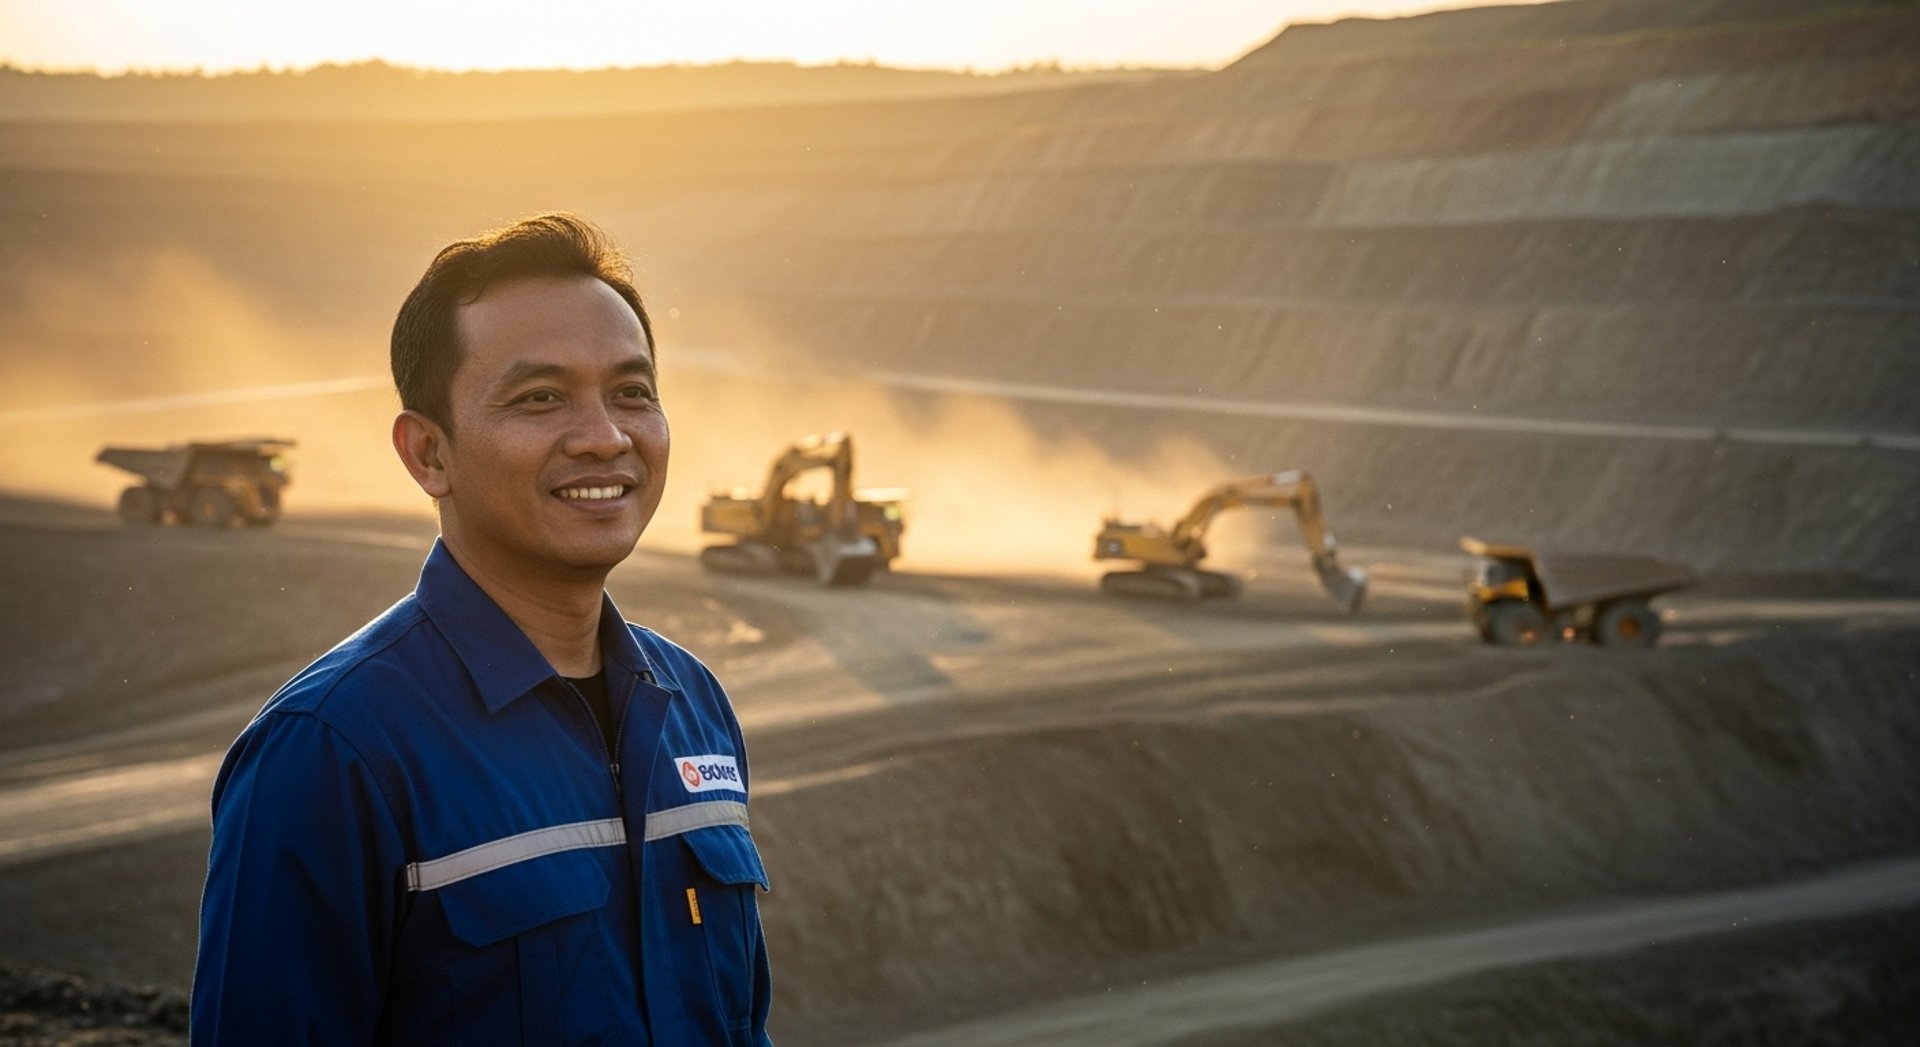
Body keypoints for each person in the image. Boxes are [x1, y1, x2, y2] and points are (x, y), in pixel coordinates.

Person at [191, 213, 774, 1045]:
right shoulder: (332, 752)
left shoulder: (693, 705)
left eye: (632, 392)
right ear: (429, 452)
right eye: (540, 398)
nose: (605, 436)